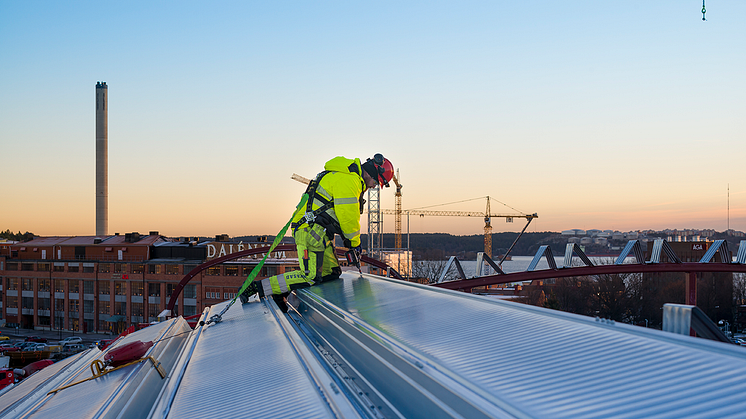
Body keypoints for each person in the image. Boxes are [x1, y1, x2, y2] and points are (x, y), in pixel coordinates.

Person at [239, 153, 394, 311]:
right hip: (309, 230)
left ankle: (280, 292)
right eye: (376, 182)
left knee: (331, 273)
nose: (374, 186)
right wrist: (354, 244)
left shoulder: (346, 176)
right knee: (311, 276)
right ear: (372, 172)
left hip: (319, 232)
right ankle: (257, 288)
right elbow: (348, 219)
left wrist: (351, 244)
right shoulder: (349, 180)